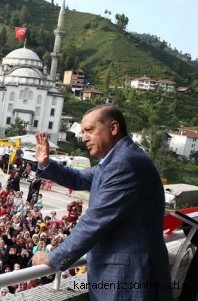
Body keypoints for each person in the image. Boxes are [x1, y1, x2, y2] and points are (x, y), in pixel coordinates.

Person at [32, 105, 172, 301]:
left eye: (89, 130)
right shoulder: (116, 160)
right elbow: (79, 178)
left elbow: (94, 221)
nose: (83, 138)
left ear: (113, 128)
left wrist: (52, 258)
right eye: (83, 132)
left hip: (128, 281)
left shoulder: (125, 164)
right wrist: (46, 163)